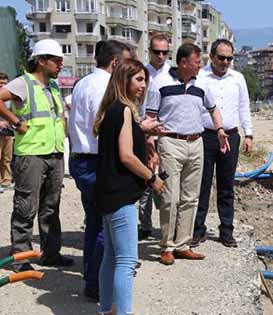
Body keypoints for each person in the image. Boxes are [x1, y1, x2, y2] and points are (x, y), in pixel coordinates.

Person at [146, 43, 228, 265]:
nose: (200, 64)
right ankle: (166, 246)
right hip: (170, 143)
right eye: (197, 60)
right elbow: (150, 117)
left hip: (196, 143)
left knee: (191, 198)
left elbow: (213, 109)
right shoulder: (159, 84)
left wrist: (220, 129)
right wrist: (151, 147)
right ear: (183, 62)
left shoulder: (201, 85)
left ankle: (183, 244)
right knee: (170, 198)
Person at [93, 58, 164, 315]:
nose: (143, 86)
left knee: (111, 257)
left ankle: (106, 309)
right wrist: (151, 177)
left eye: (145, 80)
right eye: (138, 80)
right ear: (124, 80)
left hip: (109, 192)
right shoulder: (122, 109)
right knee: (127, 260)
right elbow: (125, 156)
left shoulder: (113, 108)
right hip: (120, 194)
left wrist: (143, 137)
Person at [0, 39, 74, 271]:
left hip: (54, 153)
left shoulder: (53, 86)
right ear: (41, 61)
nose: (61, 64)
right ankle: (20, 258)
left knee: (51, 207)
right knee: (25, 207)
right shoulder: (24, 83)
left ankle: (50, 253)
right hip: (31, 154)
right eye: (56, 60)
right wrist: (15, 121)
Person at [68, 40, 131, 301]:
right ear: (115, 63)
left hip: (86, 160)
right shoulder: (101, 87)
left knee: (95, 222)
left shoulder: (84, 83)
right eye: (126, 63)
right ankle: (98, 283)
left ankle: (93, 279)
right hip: (96, 162)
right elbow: (103, 128)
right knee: (106, 225)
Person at [194, 39, 254, 248]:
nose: (225, 62)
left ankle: (226, 231)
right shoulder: (200, 77)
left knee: (226, 186)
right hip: (205, 136)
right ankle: (197, 229)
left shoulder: (238, 78)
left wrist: (249, 134)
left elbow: (244, 107)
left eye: (229, 58)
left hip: (231, 136)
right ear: (211, 56)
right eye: (221, 57)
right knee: (202, 185)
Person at [138, 34, 172, 240]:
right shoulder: (141, 74)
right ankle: (145, 225)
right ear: (149, 51)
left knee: (167, 180)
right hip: (144, 134)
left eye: (164, 52)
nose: (160, 56)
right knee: (145, 180)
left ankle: (168, 228)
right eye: (156, 52)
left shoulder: (173, 74)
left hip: (167, 135)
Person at [0, 72, 13, 193]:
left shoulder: (9, 98)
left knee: (7, 158)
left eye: (5, 83)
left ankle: (6, 181)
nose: (3, 85)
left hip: (8, 132)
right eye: (1, 83)